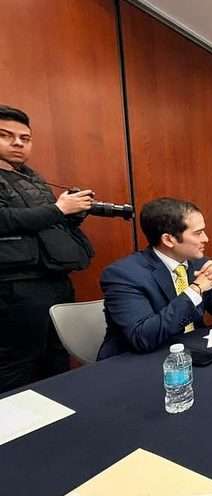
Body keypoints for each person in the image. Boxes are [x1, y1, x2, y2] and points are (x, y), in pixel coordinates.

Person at [0, 105, 96, 393]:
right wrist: (58, 209)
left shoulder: (32, 178)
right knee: (18, 364)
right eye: (6, 136)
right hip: (14, 286)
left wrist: (72, 214)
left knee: (56, 356)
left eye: (25, 138)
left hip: (54, 279)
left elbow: (46, 224)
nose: (18, 143)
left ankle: (61, 411)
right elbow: (5, 220)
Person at [99, 197, 212, 359]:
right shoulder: (124, 275)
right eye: (198, 233)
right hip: (134, 360)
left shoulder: (198, 263)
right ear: (168, 239)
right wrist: (195, 290)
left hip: (191, 352)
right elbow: (142, 337)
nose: (205, 239)